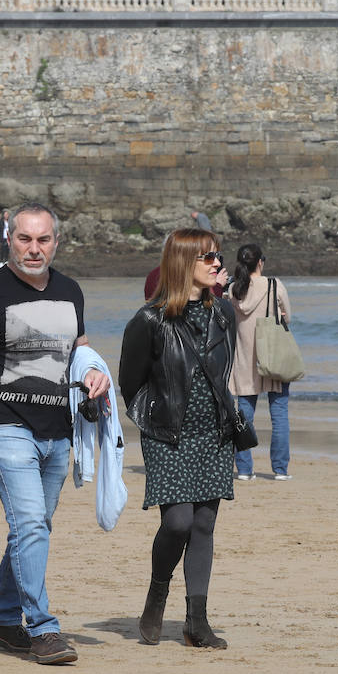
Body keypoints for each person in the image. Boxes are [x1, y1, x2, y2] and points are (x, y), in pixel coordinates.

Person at [0, 202, 110, 666]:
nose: (34, 248)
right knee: (30, 525)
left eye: (43, 240)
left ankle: (4, 620)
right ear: (9, 238)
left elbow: (79, 356)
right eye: (25, 238)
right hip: (5, 426)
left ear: (55, 242)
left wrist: (95, 375)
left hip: (58, 431)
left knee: (32, 528)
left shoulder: (71, 292)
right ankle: (42, 629)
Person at [119, 229, 239, 650]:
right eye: (208, 258)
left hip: (214, 433)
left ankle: (197, 622)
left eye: (217, 258)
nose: (217, 265)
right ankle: (157, 592)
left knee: (204, 524)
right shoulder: (149, 320)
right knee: (178, 522)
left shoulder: (222, 313)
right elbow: (130, 384)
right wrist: (155, 423)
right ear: (183, 263)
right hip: (167, 435)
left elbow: (224, 373)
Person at [228, 243, 291, 481]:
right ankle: (280, 470)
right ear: (260, 263)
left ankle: (244, 470)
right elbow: (289, 317)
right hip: (272, 354)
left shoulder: (233, 289)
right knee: (279, 413)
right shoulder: (274, 285)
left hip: (244, 359)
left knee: (243, 415)